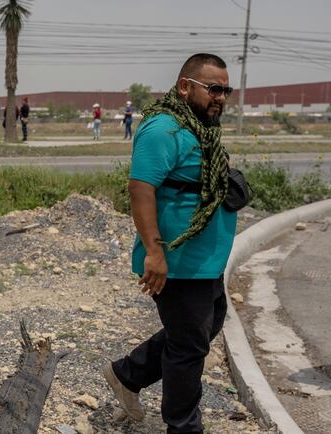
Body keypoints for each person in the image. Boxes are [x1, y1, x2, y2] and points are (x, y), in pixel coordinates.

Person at [104, 53, 236, 434]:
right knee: (189, 348)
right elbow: (140, 189)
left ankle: (128, 374)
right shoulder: (163, 128)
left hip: (205, 261)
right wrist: (154, 252)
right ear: (185, 87)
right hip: (177, 262)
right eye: (214, 89)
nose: (221, 97)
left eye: (226, 90)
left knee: (200, 331)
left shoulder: (199, 129)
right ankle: (183, 427)